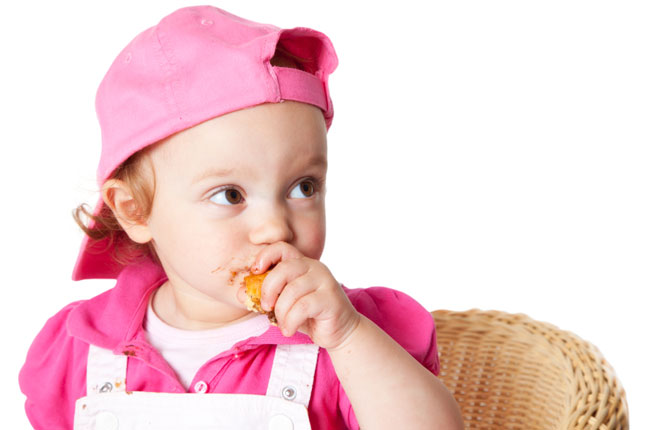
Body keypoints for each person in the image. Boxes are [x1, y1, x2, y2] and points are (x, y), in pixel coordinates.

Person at [19, 5, 463, 429]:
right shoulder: (81, 347)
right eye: (230, 194)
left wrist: (347, 336)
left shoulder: (340, 338)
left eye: (303, 187)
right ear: (136, 211)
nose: (275, 227)